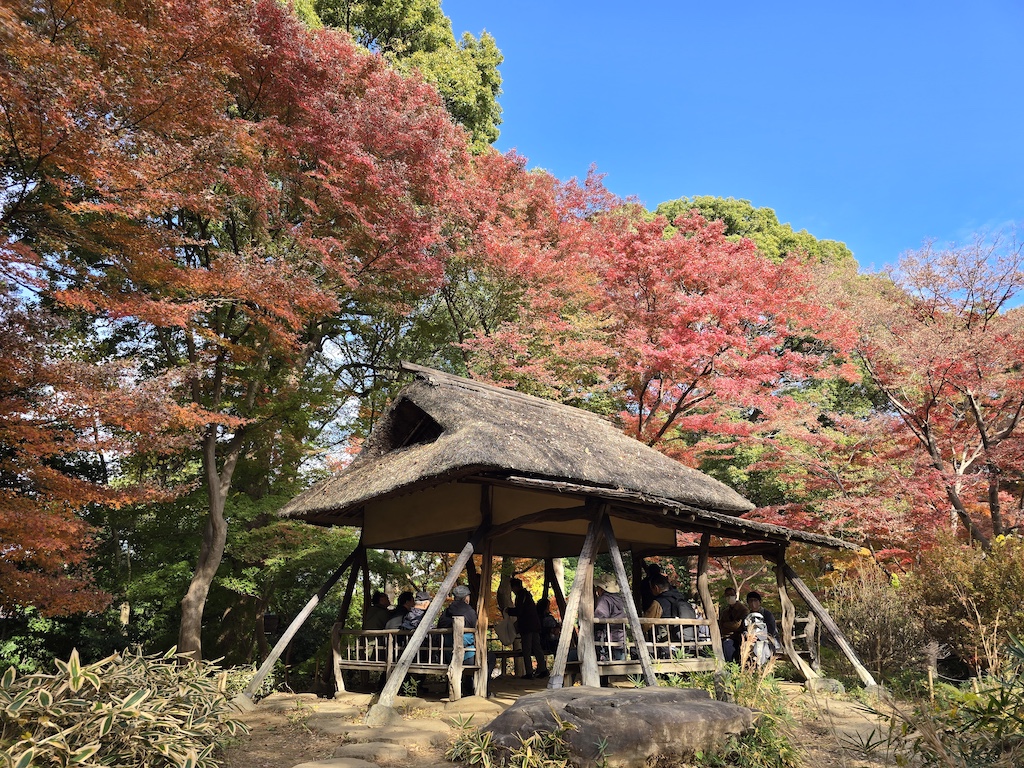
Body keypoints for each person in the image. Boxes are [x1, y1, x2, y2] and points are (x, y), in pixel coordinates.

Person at [643, 574, 696, 657]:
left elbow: (646, 624)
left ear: (656, 588)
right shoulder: (680, 597)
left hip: (666, 642)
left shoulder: (658, 602)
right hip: (683, 640)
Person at [508, 577, 547, 678]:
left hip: (526, 626)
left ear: (515, 587)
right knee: (537, 648)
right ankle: (543, 669)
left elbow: (519, 611)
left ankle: (529, 672)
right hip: (535, 625)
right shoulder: (527, 595)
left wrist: (508, 610)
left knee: (526, 649)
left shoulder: (521, 596)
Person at [593, 573, 626, 662]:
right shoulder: (620, 599)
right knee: (620, 664)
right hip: (620, 637)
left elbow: (600, 616)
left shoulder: (604, 599)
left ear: (601, 588)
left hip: (608, 639)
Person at [743, 591, 780, 667]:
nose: (753, 603)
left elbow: (771, 631)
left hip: (768, 640)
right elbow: (743, 629)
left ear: (759, 602)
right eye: (750, 601)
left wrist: (758, 636)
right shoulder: (747, 616)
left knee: (761, 647)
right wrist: (747, 635)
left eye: (755, 600)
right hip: (751, 640)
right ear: (748, 603)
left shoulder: (767, 614)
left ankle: (761, 667)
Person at [718, 586, 748, 662]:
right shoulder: (725, 612)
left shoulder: (743, 609)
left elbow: (738, 625)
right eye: (727, 595)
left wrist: (726, 625)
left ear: (735, 596)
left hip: (740, 637)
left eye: (731, 595)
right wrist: (729, 626)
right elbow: (721, 626)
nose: (729, 597)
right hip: (727, 637)